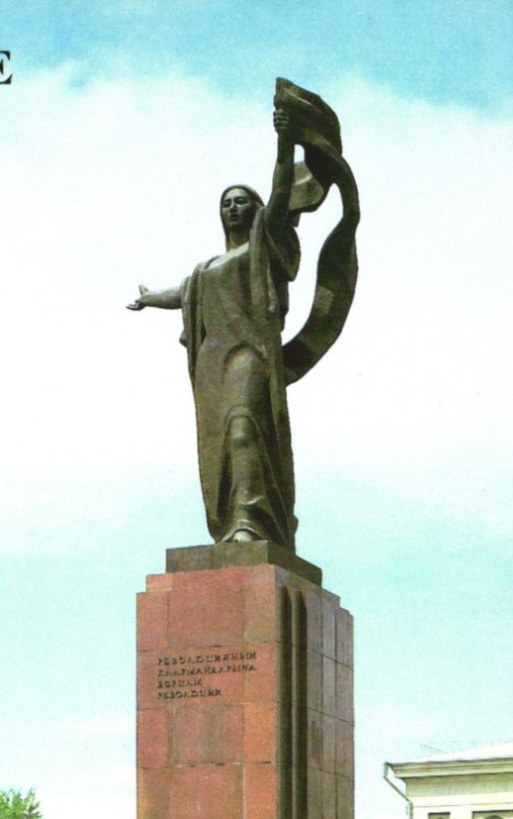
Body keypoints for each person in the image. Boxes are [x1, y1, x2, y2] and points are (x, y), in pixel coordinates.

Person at [128, 78, 359, 551]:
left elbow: (279, 192)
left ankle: (250, 522)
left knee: (243, 429)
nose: (233, 207)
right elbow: (186, 292)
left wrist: (284, 142)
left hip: (249, 356)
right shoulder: (206, 268)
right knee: (220, 452)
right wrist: (151, 298)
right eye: (226, 203)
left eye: (242, 202)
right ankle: (234, 520)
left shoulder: (264, 246)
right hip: (212, 362)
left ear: (257, 212)